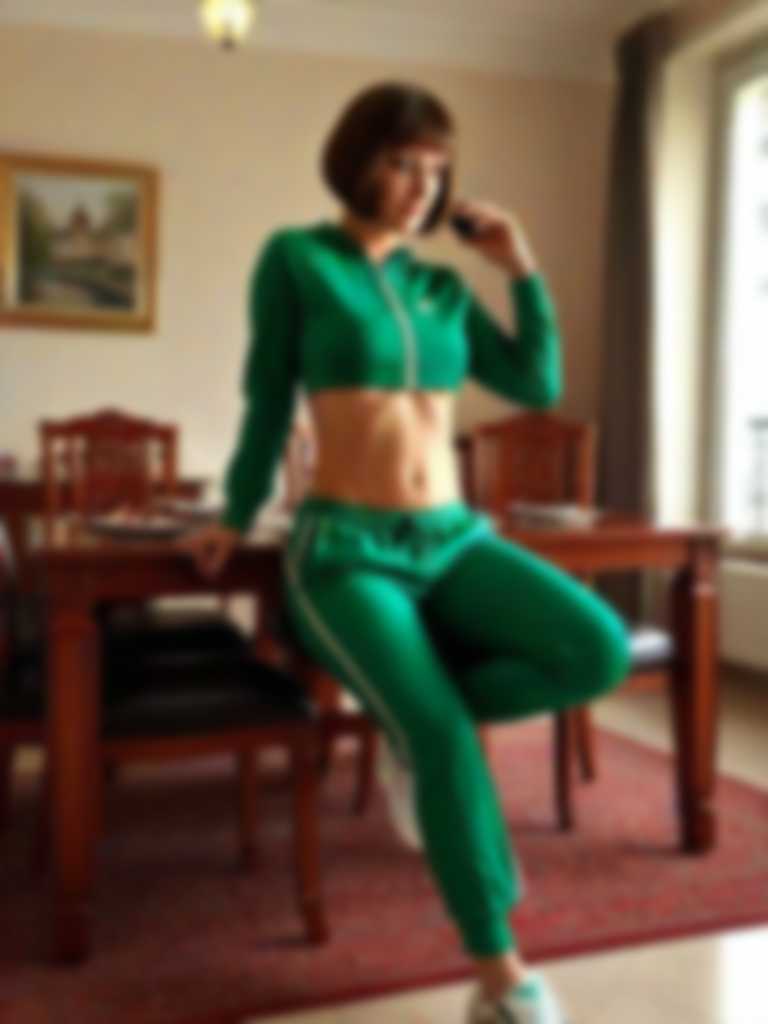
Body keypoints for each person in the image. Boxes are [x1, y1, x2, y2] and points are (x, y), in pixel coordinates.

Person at [179, 80, 631, 1024]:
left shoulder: (444, 288)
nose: (423, 185)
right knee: (444, 734)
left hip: (452, 538)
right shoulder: (299, 258)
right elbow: (267, 397)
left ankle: (412, 725)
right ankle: (503, 979)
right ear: (357, 162)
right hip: (347, 549)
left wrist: (521, 270)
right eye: (400, 163)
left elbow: (536, 383)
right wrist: (238, 509)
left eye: (435, 169)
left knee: (596, 650)